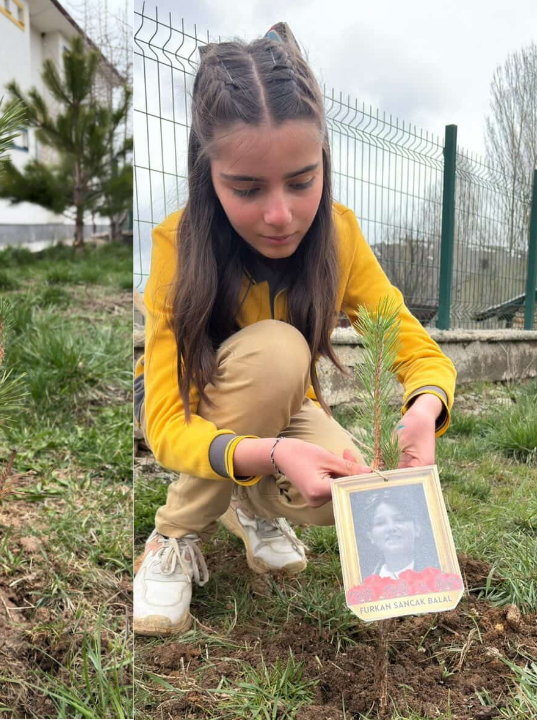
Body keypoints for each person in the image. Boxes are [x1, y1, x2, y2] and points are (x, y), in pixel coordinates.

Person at [131, 24, 457, 636]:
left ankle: (251, 506)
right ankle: (173, 536)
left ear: (324, 163)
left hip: (283, 404)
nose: (280, 215)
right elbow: (166, 426)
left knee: (348, 488)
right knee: (280, 350)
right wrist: (275, 452)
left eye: (302, 181)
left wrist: (425, 405)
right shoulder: (180, 244)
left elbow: (417, 349)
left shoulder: (339, 236)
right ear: (208, 175)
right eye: (247, 188)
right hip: (200, 401)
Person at [359, 488, 434, 581]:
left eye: (399, 519)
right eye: (380, 523)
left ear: (417, 528)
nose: (391, 528)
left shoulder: (437, 573)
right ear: (371, 536)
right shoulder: (365, 584)